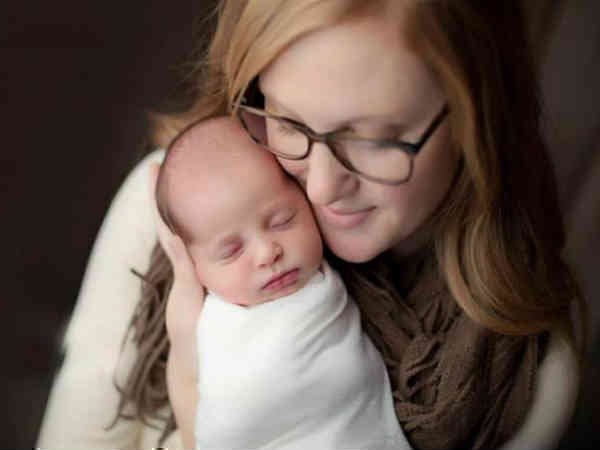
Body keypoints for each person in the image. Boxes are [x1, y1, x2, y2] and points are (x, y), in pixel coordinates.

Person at [37, 1, 585, 449]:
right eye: (289, 123)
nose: (320, 188)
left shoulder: (529, 372)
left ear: (479, 123)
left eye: (373, 140)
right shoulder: (174, 209)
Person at [155, 115, 410, 449]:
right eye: (232, 251)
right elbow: (185, 378)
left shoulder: (336, 266)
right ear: (196, 265)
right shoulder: (202, 312)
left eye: (282, 221)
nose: (267, 253)